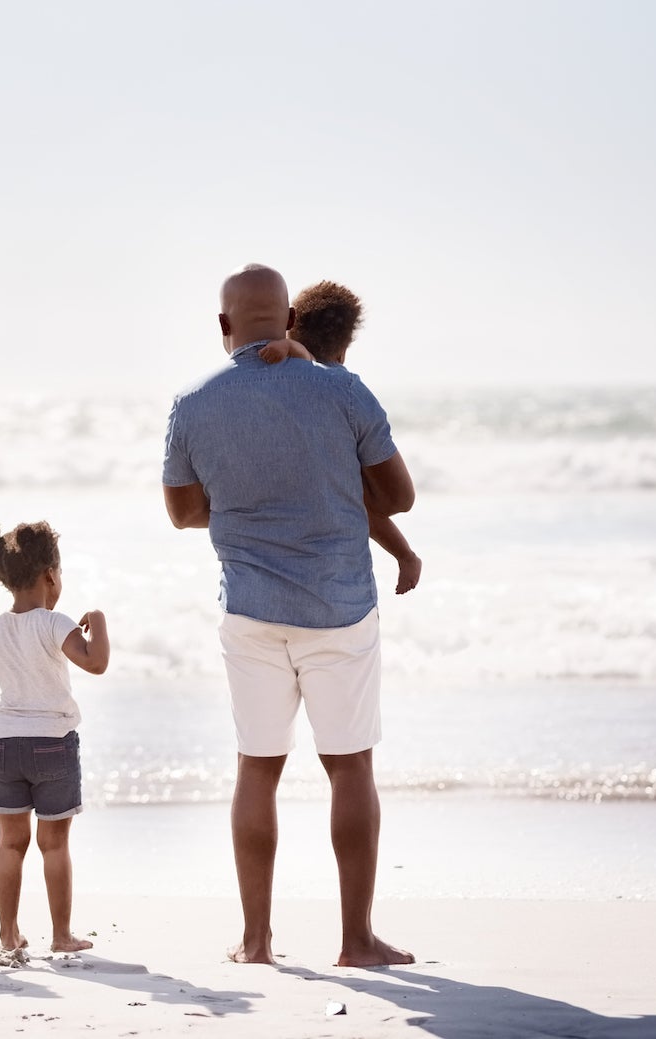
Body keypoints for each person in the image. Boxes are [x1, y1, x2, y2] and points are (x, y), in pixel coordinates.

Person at [161, 265, 416, 967]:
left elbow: (184, 513)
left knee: (257, 768)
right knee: (350, 766)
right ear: (288, 318)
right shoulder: (342, 390)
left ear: (225, 327)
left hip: (250, 610)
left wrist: (247, 504)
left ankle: (257, 939)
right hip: (338, 607)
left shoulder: (192, 404)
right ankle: (357, 940)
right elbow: (397, 497)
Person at [0, 521, 109, 954]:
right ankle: (60, 936)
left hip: (2, 745)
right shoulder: (56, 623)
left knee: (10, 843)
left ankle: (8, 934)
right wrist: (100, 623)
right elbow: (96, 663)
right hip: (52, 742)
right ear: (50, 575)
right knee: (53, 844)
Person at [258, 281, 422, 594]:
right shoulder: (343, 390)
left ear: (291, 323)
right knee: (355, 495)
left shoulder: (274, 377)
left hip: (289, 520)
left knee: (349, 493)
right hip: (336, 544)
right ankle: (406, 556)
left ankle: (406, 555)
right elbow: (401, 500)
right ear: (343, 351)